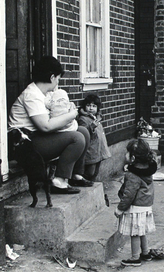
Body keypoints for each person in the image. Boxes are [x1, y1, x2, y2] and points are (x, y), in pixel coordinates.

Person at [8, 56, 93, 193]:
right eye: (58, 78)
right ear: (52, 77)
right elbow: (45, 126)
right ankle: (59, 181)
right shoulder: (32, 95)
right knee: (77, 138)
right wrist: (71, 115)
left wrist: (67, 111)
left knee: (83, 131)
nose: (58, 82)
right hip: (26, 144)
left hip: (37, 137)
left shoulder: (43, 94)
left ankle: (76, 175)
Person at [115, 138, 157, 267]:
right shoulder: (147, 168)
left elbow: (129, 194)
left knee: (134, 233)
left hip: (136, 206)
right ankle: (145, 253)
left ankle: (135, 258)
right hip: (145, 204)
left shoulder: (133, 174)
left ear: (133, 157)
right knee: (141, 231)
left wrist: (120, 208)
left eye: (127, 152)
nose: (125, 154)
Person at [77, 94, 111, 181]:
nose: (91, 108)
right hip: (90, 151)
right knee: (89, 172)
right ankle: (86, 186)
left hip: (98, 149)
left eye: (94, 106)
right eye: (88, 105)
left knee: (95, 172)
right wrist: (91, 127)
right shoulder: (83, 119)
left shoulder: (97, 118)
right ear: (84, 106)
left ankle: (93, 187)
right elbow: (83, 133)